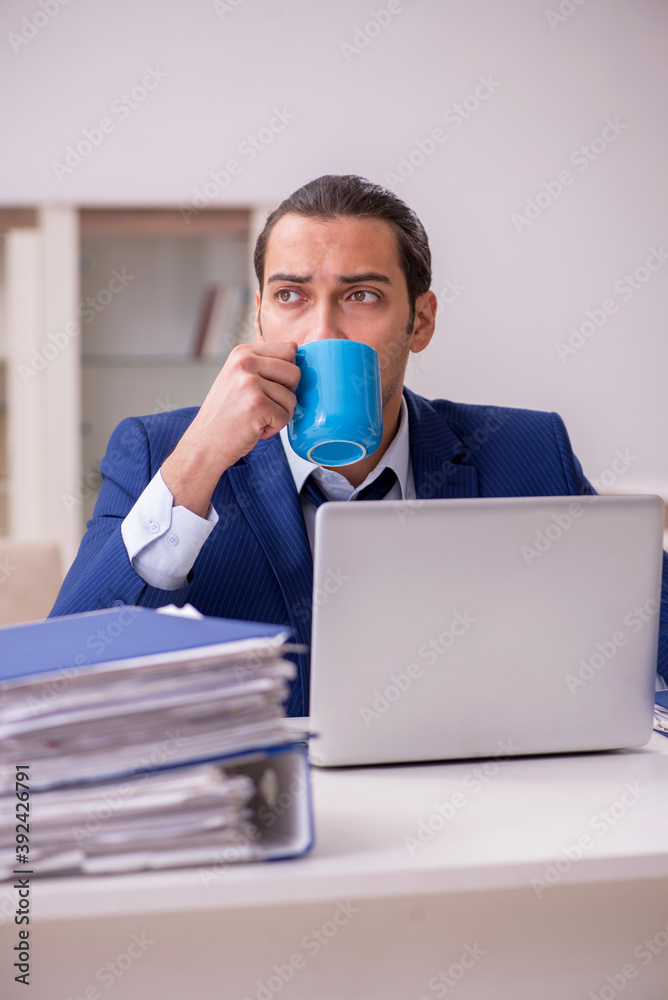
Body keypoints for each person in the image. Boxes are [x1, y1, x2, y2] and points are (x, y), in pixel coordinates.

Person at [50, 174, 668, 714]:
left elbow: (650, 645)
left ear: (418, 321)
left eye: (361, 296)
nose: (323, 330)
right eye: (291, 296)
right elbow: (59, 676)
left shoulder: (528, 451)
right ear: (260, 316)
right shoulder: (162, 452)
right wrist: (200, 459)